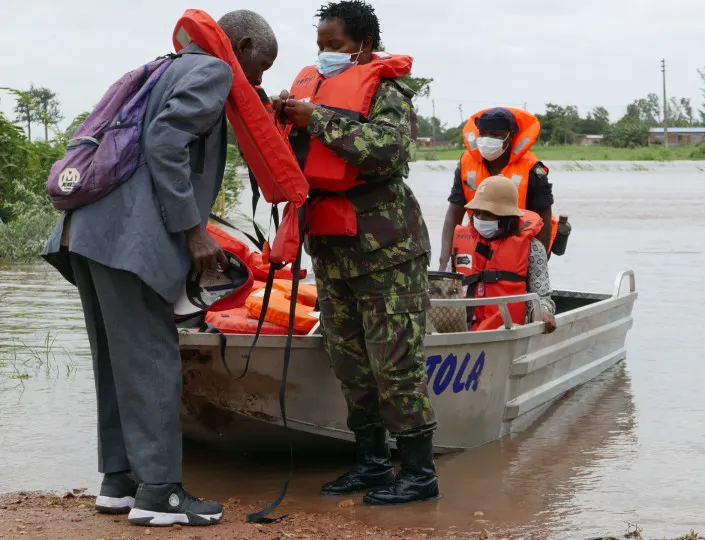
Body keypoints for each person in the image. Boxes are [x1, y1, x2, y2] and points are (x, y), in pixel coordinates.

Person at [40, 10, 278, 527]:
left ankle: (120, 482)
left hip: (87, 232)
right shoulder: (212, 70)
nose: (258, 79)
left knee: (116, 360)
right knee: (151, 358)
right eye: (261, 66)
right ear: (242, 44)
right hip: (130, 241)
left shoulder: (161, 67)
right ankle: (161, 495)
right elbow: (166, 141)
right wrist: (194, 231)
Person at [272, 0, 438, 506]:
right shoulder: (312, 91)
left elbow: (390, 149)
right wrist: (282, 117)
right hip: (332, 249)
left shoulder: (386, 91)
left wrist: (317, 119)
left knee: (396, 366)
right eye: (320, 45)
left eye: (335, 45)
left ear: (364, 46)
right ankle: (371, 463)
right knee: (350, 365)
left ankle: (418, 474)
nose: (325, 54)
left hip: (388, 251)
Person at [438, 107, 556, 272]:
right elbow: (454, 213)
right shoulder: (466, 164)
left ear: (510, 136)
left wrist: (537, 265)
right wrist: (444, 263)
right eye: (483, 133)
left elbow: (544, 217)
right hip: (477, 240)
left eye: (495, 134)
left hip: (519, 242)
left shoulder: (532, 169)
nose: (488, 139)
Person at [451, 175, 557, 333]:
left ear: (507, 217)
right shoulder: (463, 242)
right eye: (477, 212)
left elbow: (542, 296)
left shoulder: (533, 248)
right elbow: (449, 287)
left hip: (509, 330)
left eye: (488, 213)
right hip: (464, 330)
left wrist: (540, 312)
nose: (480, 219)